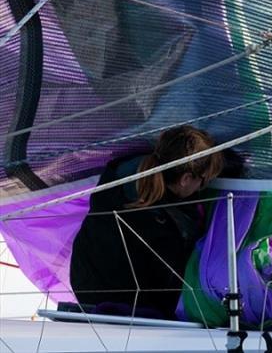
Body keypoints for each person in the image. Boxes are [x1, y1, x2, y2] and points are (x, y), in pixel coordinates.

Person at [70, 125, 224, 319]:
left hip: (85, 286)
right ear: (185, 179)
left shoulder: (118, 175)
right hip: (126, 308)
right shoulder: (163, 230)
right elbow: (171, 289)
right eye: (204, 181)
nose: (203, 187)